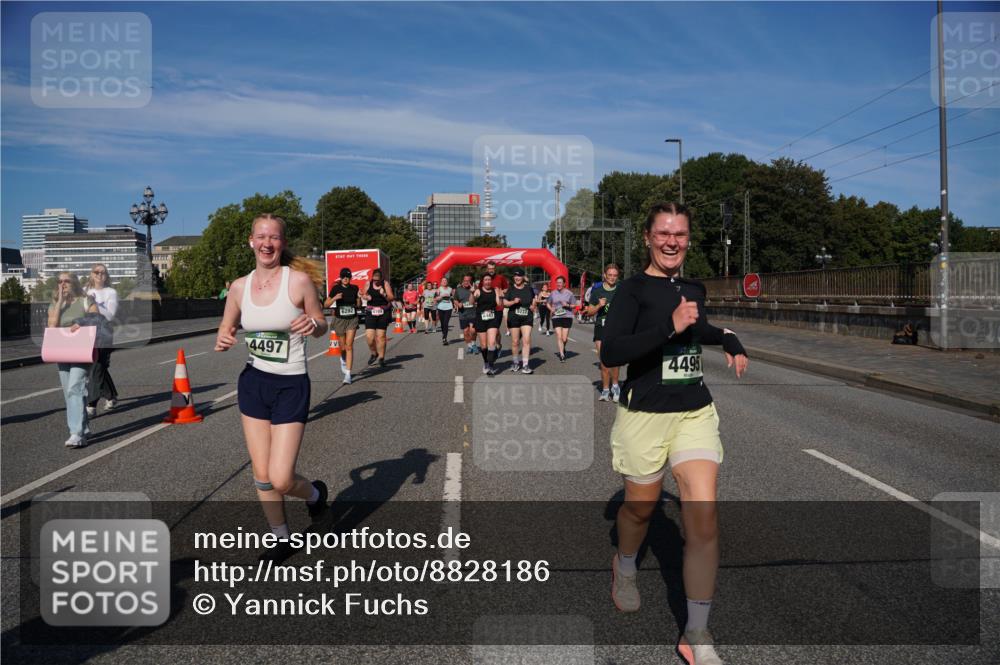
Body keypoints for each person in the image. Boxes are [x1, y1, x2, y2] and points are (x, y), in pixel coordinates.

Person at [600, 202, 748, 665]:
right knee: (640, 510)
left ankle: (696, 634)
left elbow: (696, 328)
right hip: (644, 414)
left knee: (703, 517)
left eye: (680, 234)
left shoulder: (692, 287)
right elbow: (611, 353)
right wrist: (668, 326)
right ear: (647, 237)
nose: (671, 241)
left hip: (693, 411)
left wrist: (726, 337)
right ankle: (625, 564)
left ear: (688, 239)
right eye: (663, 233)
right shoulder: (632, 289)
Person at [215, 214, 330, 552]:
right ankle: (280, 536)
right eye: (262, 237)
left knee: (281, 478)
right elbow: (226, 326)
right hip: (253, 383)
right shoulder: (239, 287)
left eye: (274, 237)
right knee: (262, 475)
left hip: (291, 384)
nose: (267, 243)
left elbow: (321, 322)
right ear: (251, 241)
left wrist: (314, 325)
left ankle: (315, 495)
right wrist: (224, 337)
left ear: (282, 243)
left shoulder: (299, 282)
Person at [48, 272, 99, 448]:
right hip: (62, 350)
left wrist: (82, 322)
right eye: (60, 281)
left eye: (66, 281)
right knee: (68, 392)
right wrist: (60, 302)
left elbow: (97, 317)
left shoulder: (86, 300)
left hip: (82, 349)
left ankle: (76, 433)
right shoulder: (56, 303)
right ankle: (84, 429)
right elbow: (52, 326)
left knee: (75, 388)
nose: (63, 284)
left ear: (74, 283)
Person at [85, 263, 119, 416]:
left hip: (104, 332)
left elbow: (110, 315)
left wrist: (94, 304)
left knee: (96, 367)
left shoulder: (111, 292)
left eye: (103, 272)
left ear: (106, 276)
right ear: (91, 274)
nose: (99, 275)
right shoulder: (85, 291)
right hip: (88, 332)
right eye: (96, 272)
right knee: (98, 366)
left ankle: (91, 404)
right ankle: (111, 396)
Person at [586, 264, 621, 402]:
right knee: (604, 361)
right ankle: (606, 390)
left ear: (617, 277)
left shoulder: (621, 290)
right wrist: (599, 305)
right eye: (610, 275)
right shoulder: (597, 292)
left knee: (615, 360)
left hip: (617, 329)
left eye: (615, 275)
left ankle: (615, 386)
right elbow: (589, 312)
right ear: (605, 275)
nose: (612, 278)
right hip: (601, 328)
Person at [325, 267, 360, 384]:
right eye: (343, 276)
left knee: (349, 346)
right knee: (343, 347)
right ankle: (343, 359)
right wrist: (335, 298)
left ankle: (348, 375)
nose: (345, 278)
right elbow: (326, 304)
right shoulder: (336, 289)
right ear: (340, 278)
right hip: (340, 320)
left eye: (347, 277)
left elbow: (358, 305)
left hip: (352, 319)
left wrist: (359, 297)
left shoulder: (355, 288)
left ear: (350, 278)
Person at [503, 268, 536, 374]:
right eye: (515, 276)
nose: (517, 278)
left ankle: (525, 365)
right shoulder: (511, 289)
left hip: (527, 317)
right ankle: (516, 362)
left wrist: (533, 306)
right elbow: (505, 303)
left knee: (526, 340)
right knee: (515, 341)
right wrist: (513, 302)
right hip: (514, 318)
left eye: (519, 276)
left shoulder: (529, 289)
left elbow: (534, 299)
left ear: (523, 277)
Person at [472, 274, 504, 375]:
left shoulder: (495, 290)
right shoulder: (478, 291)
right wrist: (472, 293)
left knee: (491, 343)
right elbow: (471, 302)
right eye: (485, 280)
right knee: (483, 346)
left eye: (489, 280)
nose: (487, 281)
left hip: (492, 319)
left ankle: (490, 366)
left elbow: (499, 304)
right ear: (483, 281)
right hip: (480, 319)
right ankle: (486, 362)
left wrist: (501, 296)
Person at [363, 269, 395, 367]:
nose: (375, 281)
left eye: (377, 280)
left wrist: (384, 294)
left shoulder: (385, 284)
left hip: (383, 312)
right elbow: (364, 294)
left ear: (381, 278)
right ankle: (374, 353)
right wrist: (366, 297)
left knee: (381, 336)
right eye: (374, 279)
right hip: (371, 311)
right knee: (369, 337)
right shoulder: (368, 283)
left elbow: (391, 298)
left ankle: (381, 358)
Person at [547, 276, 576, 362]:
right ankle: (562, 355)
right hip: (556, 316)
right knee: (559, 336)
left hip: (567, 316)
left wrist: (567, 305)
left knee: (564, 338)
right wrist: (551, 309)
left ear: (564, 284)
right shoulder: (553, 293)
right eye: (557, 283)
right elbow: (548, 303)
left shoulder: (569, 293)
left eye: (560, 282)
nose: (558, 284)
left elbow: (574, 305)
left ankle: (563, 348)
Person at [483, 261, 508, 351]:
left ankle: (498, 344)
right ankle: (491, 347)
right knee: (488, 330)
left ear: (495, 269)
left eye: (492, 268)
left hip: (498, 308)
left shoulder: (500, 278)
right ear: (487, 269)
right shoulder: (484, 278)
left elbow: (506, 288)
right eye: (489, 268)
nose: (491, 270)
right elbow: (480, 290)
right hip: (486, 308)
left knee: (496, 330)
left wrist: (502, 292)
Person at [455, 273, 478, 355]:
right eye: (465, 280)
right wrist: (458, 304)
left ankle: (474, 344)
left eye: (468, 281)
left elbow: (479, 298)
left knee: (473, 330)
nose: (466, 282)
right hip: (463, 313)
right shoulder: (458, 289)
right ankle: (469, 346)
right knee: (465, 331)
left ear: (470, 281)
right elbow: (455, 299)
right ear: (462, 281)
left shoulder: (475, 288)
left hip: (473, 313)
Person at [435, 276, 455, 345]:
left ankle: (444, 338)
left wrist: (450, 296)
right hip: (440, 307)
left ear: (447, 282)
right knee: (442, 323)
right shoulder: (438, 289)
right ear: (441, 282)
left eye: (445, 281)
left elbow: (454, 297)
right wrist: (442, 296)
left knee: (446, 323)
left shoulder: (450, 289)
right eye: (443, 281)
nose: (444, 282)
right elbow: (435, 299)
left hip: (449, 307)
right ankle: (444, 333)